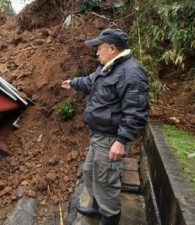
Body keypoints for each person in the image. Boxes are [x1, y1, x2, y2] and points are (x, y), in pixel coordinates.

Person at [61, 28, 149, 225]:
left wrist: (122, 141)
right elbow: (90, 82)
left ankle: (109, 217)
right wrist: (73, 82)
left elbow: (136, 111)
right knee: (90, 173)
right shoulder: (106, 67)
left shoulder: (132, 73)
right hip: (98, 136)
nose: (96, 52)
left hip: (111, 139)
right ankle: (97, 207)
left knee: (105, 181)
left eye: (99, 48)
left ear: (112, 48)